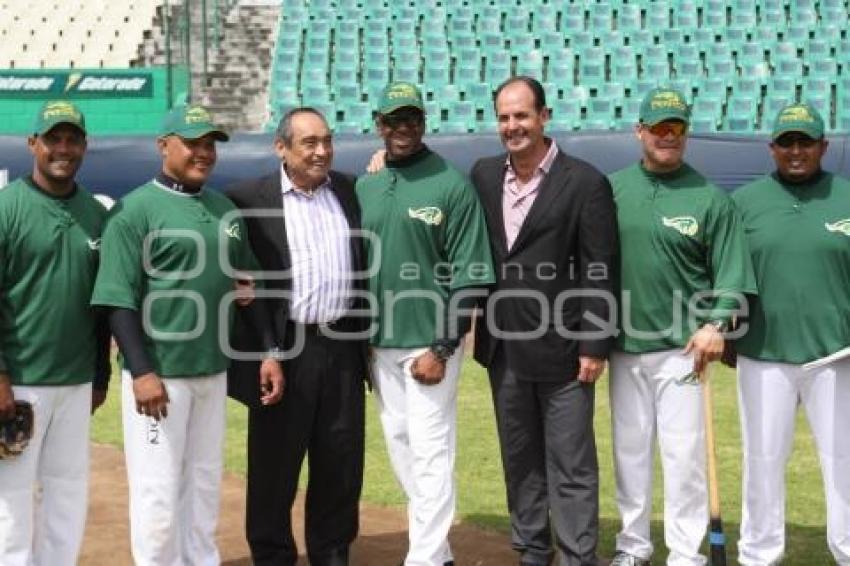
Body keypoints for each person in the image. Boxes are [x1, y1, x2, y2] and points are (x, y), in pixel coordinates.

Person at [90, 104, 284, 565]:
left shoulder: (224, 210)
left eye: (210, 143)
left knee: (203, 481)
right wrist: (141, 371)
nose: (204, 152)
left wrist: (270, 351)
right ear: (164, 146)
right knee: (157, 493)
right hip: (160, 375)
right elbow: (118, 299)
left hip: (212, 372)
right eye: (193, 142)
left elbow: (248, 288)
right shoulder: (133, 210)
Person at [469, 76, 619, 566]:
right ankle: (533, 550)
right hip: (504, 348)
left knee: (571, 464)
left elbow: (601, 268)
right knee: (520, 460)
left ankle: (578, 556)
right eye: (505, 117)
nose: (513, 126)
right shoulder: (484, 175)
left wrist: (595, 344)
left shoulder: (585, 181)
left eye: (522, 115)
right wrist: (384, 161)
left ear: (544, 117)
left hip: (565, 349)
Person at [607, 87, 756, 566]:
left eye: (677, 128)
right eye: (659, 127)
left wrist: (717, 324)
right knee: (630, 456)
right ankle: (633, 547)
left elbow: (733, 273)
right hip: (623, 345)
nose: (667, 136)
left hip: (683, 350)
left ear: (687, 133)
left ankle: (686, 553)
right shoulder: (610, 189)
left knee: (684, 458)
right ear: (640, 131)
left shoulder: (711, 198)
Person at [356, 81, 495, 566]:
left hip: (430, 344)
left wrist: (444, 345)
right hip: (379, 344)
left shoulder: (450, 184)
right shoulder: (366, 183)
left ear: (424, 122)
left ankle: (426, 558)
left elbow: (471, 275)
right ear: (379, 125)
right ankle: (437, 549)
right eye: (394, 119)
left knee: (433, 450)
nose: (404, 127)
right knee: (401, 447)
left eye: (412, 118)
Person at [225, 107, 368, 566]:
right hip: (283, 351)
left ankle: (332, 553)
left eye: (326, 140)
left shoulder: (347, 189)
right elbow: (240, 283)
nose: (321, 151)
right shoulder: (247, 199)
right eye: (309, 142)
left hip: (343, 346)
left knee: (340, 462)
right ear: (280, 147)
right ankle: (272, 556)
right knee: (274, 468)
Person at [731, 102, 850, 565]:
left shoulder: (847, 195)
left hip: (837, 355)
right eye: (787, 142)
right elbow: (727, 274)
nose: (796, 150)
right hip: (764, 353)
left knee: (844, 462)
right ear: (771, 147)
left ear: (825, 145)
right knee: (762, 462)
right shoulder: (743, 202)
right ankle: (759, 555)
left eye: (805, 141)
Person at [0, 100, 110, 566]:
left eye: (72, 139)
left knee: (68, 490)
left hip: (76, 380)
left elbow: (102, 305)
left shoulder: (96, 212)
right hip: (21, 380)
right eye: (53, 138)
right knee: (12, 498)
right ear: (33, 145)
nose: (63, 148)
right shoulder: (8, 208)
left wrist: (100, 375)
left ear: (84, 146)